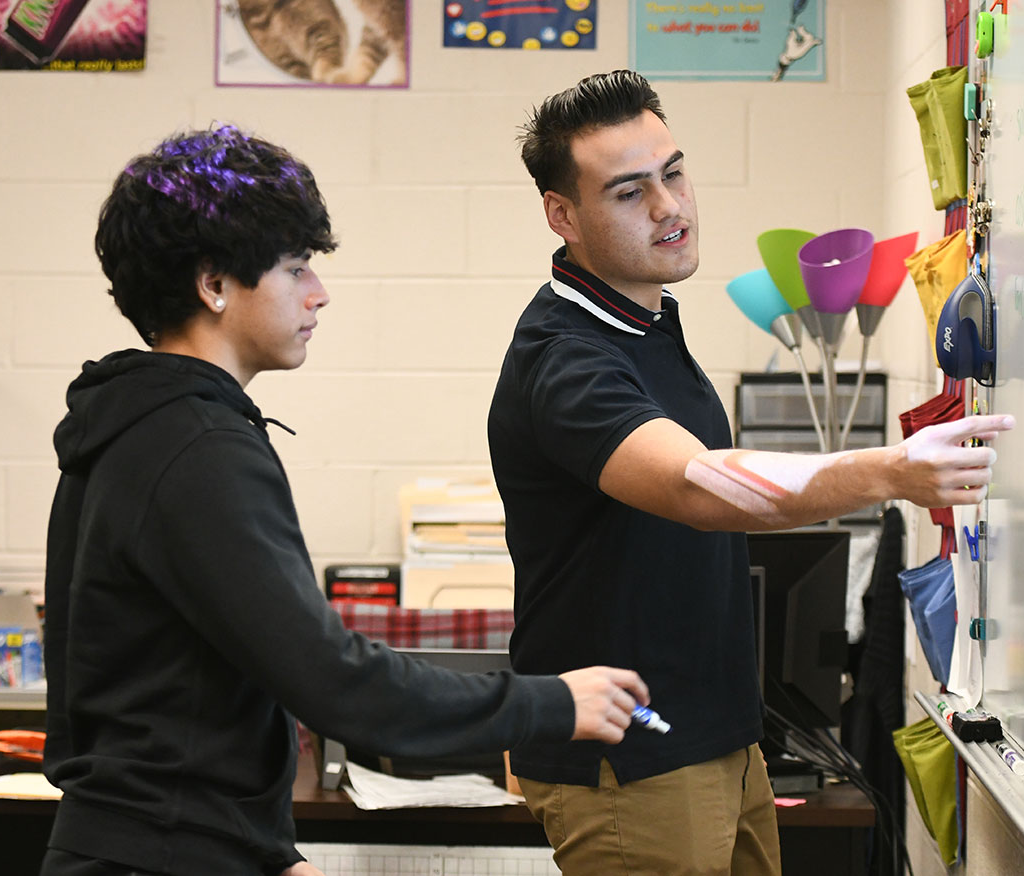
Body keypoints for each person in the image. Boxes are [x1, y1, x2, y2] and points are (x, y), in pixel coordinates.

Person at [40, 124, 649, 876]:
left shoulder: (132, 424)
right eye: (295, 269)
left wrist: (263, 851)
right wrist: (553, 704)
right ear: (214, 283)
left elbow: (175, 691)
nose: (318, 293)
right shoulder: (196, 447)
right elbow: (335, 682)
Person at [487, 69, 1014, 875]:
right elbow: (696, 486)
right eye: (630, 192)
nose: (669, 206)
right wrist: (890, 469)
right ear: (563, 214)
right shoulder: (565, 360)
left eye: (673, 172)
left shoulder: (645, 319)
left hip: (717, 740)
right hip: (631, 762)